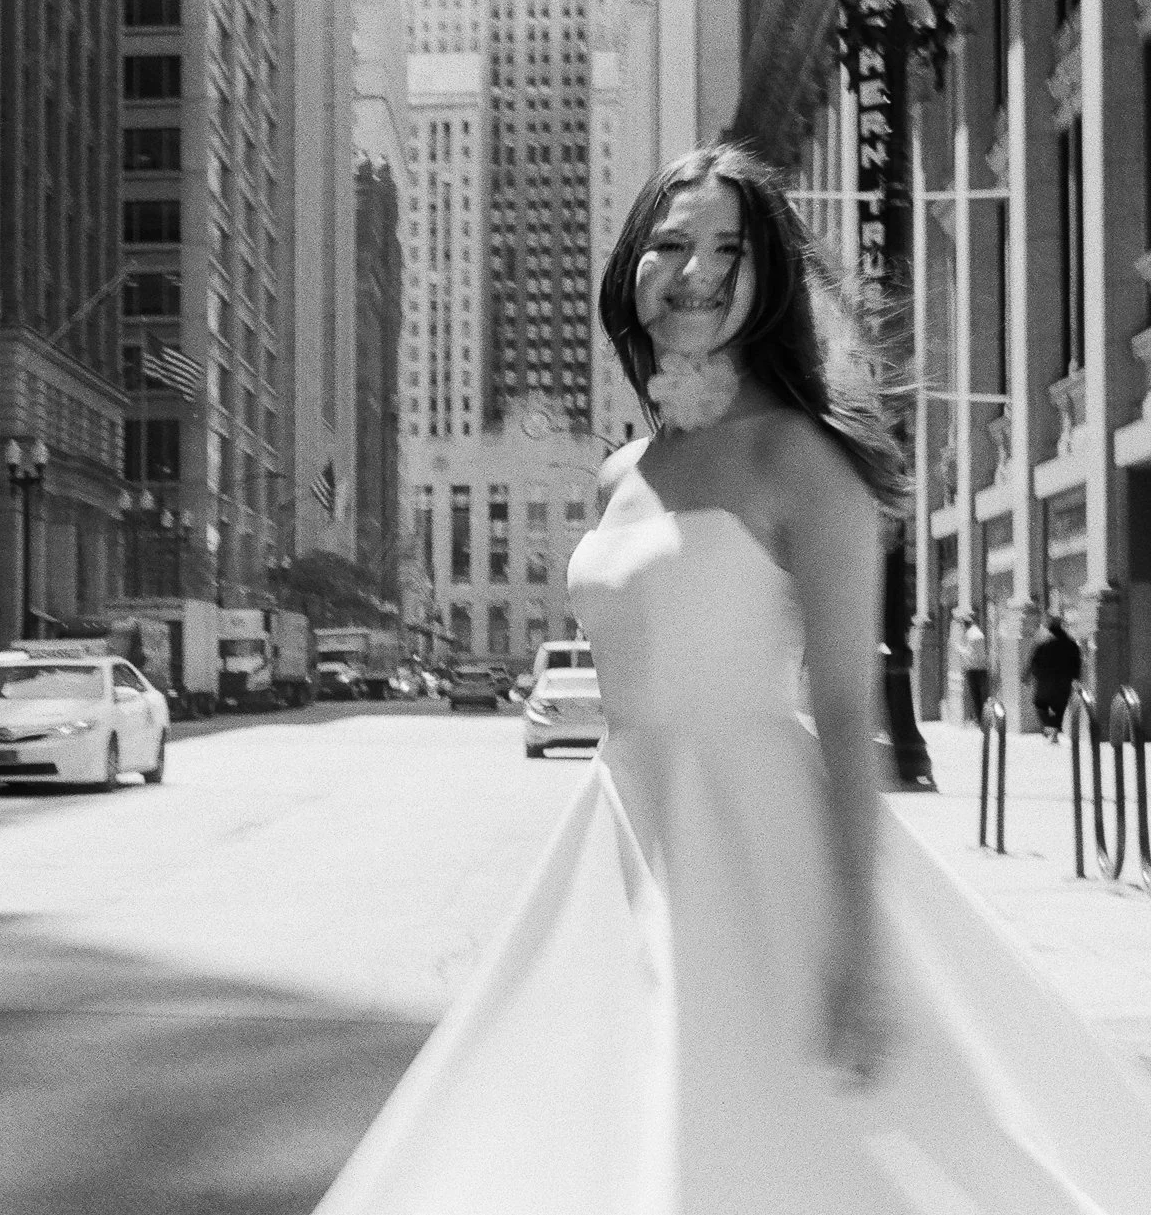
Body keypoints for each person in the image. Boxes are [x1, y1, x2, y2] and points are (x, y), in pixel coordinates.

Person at [313, 145, 1151, 1215]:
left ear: (769, 281)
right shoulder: (625, 468)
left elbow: (850, 715)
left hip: (766, 854)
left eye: (729, 247)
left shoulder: (805, 458)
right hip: (621, 841)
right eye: (671, 242)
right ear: (633, 268)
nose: (696, 268)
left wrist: (856, 939)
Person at [1026, 616, 1083, 743]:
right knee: (1059, 707)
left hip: (1045, 680)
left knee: (1040, 703)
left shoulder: (1044, 644)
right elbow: (1077, 662)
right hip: (1064, 680)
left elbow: (1033, 660)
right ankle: (1055, 732)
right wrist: (1077, 678)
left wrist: (1028, 675)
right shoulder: (1071, 643)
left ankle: (1048, 726)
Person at [955, 610, 991, 722]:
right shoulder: (979, 633)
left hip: (973, 669)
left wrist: (959, 649)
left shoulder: (970, 635)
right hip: (983, 668)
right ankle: (984, 718)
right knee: (983, 694)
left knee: (975, 695)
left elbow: (970, 653)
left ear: (965, 624)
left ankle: (980, 719)